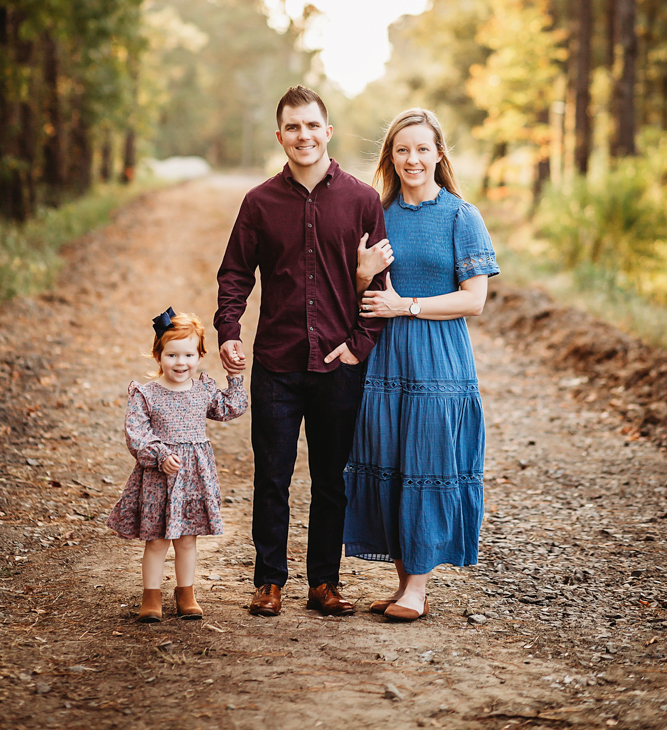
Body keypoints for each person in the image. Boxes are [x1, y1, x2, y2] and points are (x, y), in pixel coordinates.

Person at [215, 85, 387, 617]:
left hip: (339, 364)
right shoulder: (259, 203)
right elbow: (236, 274)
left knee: (331, 479)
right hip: (277, 363)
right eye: (293, 127)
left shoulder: (362, 200)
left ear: (328, 131)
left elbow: (382, 283)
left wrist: (359, 347)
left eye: (312, 125)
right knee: (272, 477)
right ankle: (268, 581)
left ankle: (324, 583)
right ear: (280, 135)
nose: (303, 136)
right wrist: (229, 331)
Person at [343, 108, 500, 621]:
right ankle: (402, 583)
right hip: (384, 357)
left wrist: (405, 305)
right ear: (391, 156)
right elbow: (354, 290)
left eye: (422, 149)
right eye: (402, 149)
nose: (413, 158)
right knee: (389, 461)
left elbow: (473, 300)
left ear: (438, 154)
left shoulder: (461, 216)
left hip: (439, 361)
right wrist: (363, 278)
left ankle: (417, 589)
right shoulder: (376, 213)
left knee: (428, 462)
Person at [107, 308, 248, 622]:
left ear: (199, 356)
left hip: (193, 478)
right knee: (157, 541)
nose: (180, 363)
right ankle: (151, 596)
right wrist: (159, 455)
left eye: (188, 355)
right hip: (158, 477)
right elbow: (136, 433)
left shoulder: (202, 390)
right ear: (158, 356)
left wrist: (235, 377)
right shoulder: (146, 394)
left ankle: (186, 592)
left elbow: (231, 408)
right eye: (172, 355)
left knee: (187, 539)